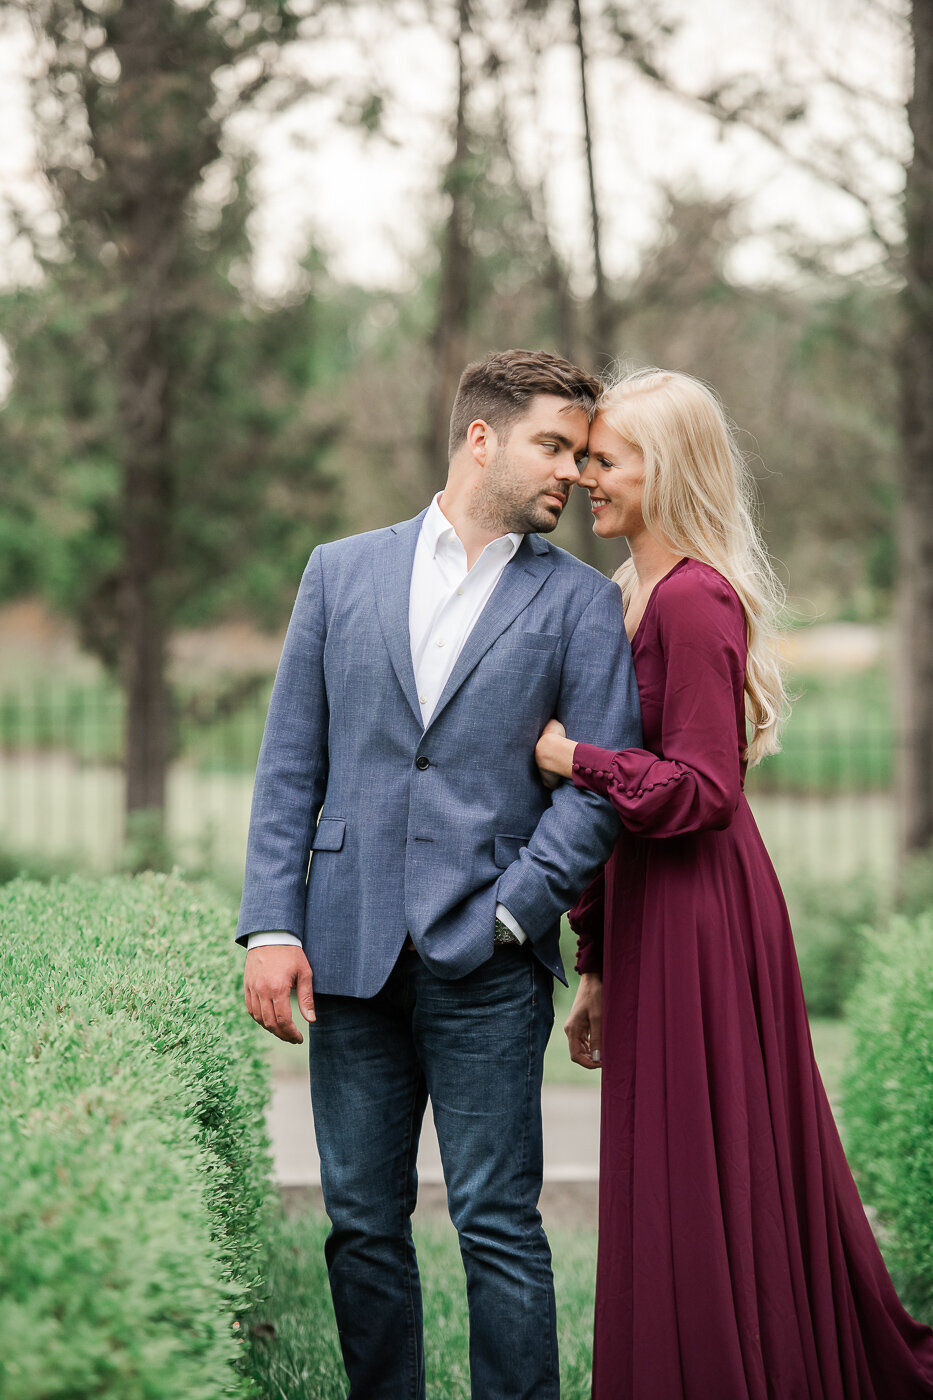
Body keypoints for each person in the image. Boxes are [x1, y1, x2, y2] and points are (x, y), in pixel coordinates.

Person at [237, 348, 642, 1399]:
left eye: (584, 452)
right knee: (362, 1222)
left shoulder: (582, 603)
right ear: (480, 437)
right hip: (349, 949)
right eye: (554, 444)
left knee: (499, 1223)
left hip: (488, 963)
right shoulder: (339, 570)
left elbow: (596, 789)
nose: (572, 472)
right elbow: (292, 761)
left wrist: (515, 912)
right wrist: (272, 926)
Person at [535, 367, 933, 1400]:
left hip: (703, 909)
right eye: (582, 458)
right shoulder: (636, 595)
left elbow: (703, 789)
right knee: (676, 1171)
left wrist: (578, 758)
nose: (585, 478)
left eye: (605, 458)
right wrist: (597, 963)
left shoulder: (696, 600)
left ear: (661, 472)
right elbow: (637, 809)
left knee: (701, 1165)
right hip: (654, 907)